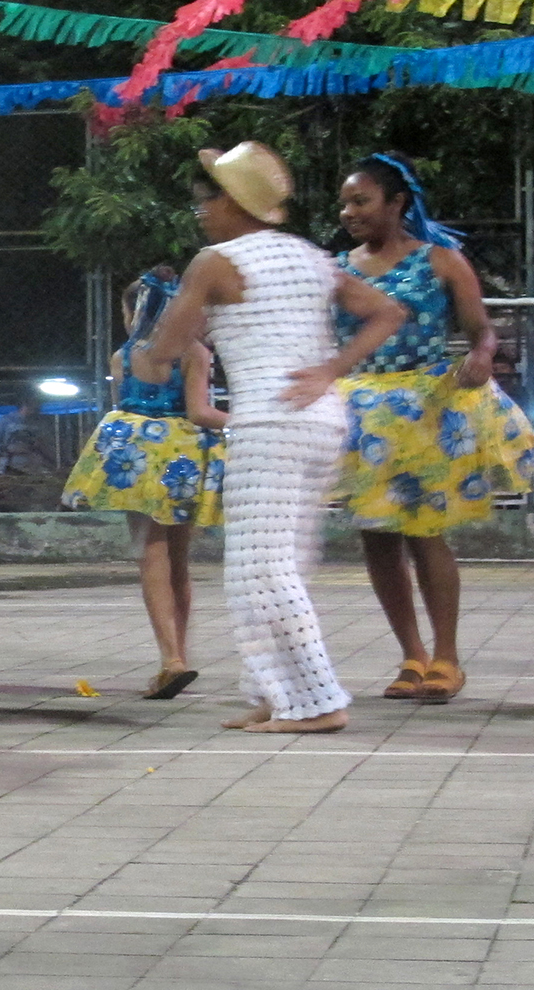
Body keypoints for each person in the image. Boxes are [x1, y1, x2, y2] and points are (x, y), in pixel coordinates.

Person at [135, 141, 404, 734]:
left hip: (270, 421)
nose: (201, 212)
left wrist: (154, 349)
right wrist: (332, 369)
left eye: (206, 201)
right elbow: (387, 312)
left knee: (260, 569)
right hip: (319, 419)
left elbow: (164, 350)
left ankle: (316, 700)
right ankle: (274, 692)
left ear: (233, 204)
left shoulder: (216, 261)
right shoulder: (309, 256)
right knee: (282, 562)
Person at [333, 153, 534, 703]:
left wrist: (482, 355)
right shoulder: (337, 269)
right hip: (363, 415)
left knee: (425, 531)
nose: (348, 212)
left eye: (361, 200)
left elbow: (481, 330)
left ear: (397, 202)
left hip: (425, 411)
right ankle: (411, 655)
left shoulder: (441, 260)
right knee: (377, 536)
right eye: (345, 203)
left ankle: (447, 656)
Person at [63, 266, 226, 698]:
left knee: (149, 554)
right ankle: (180, 655)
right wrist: (249, 418)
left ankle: (170, 659)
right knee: (179, 561)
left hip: (134, 455)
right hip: (182, 458)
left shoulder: (123, 356)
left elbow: (124, 406)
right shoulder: (193, 352)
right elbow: (199, 412)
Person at [0, 391, 52, 474]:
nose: (37, 409)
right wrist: (7, 449)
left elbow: (47, 445)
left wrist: (41, 446)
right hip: (9, 469)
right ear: (25, 404)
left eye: (39, 405)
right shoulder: (6, 420)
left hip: (34, 468)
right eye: (35, 404)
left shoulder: (40, 422)